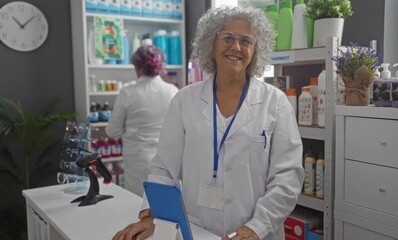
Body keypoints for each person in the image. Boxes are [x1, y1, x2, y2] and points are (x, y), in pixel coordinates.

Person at [113, 6, 304, 240]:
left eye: (246, 41)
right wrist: (150, 215)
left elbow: (288, 176)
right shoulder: (184, 100)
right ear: (211, 44)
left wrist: (257, 227)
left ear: (255, 50)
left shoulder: (275, 102)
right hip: (199, 230)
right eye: (227, 38)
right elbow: (164, 169)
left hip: (257, 233)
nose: (236, 47)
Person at [106, 45, 178, 197]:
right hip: (167, 158)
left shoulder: (128, 93)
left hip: (137, 159)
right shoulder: (173, 91)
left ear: (137, 68)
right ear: (160, 66)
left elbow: (112, 132)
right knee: (165, 203)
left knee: (138, 204)